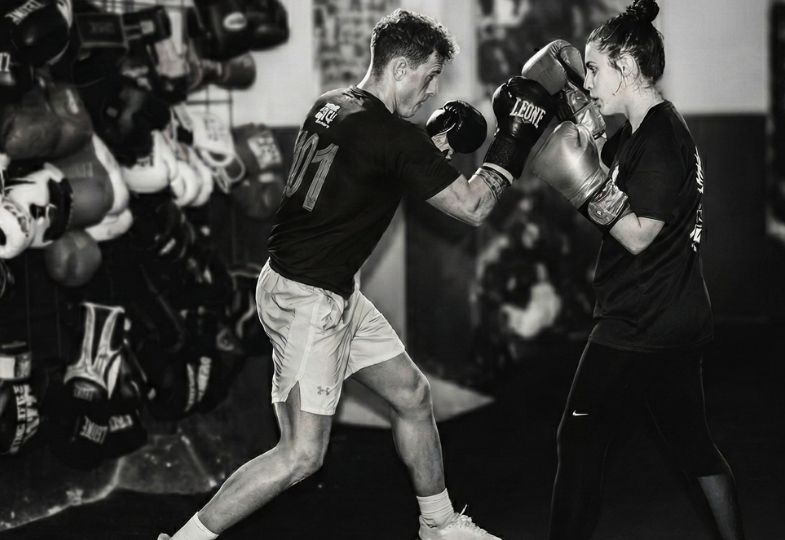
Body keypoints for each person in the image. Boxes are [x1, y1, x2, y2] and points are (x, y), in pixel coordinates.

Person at [159, 8, 555, 540]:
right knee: (300, 455)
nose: (433, 91)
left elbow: (365, 172)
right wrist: (515, 138)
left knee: (412, 395)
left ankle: (439, 525)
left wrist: (429, 145)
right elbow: (473, 206)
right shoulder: (394, 139)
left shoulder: (334, 105)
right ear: (399, 69)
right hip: (308, 298)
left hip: (324, 288)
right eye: (429, 75)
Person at [525, 1, 746, 539]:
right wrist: (576, 110)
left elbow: (639, 234)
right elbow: (603, 159)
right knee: (692, 445)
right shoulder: (641, 133)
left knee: (577, 440)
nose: (591, 80)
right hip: (674, 311)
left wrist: (583, 185)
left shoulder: (663, 139)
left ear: (626, 67)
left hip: (640, 319)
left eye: (597, 69)